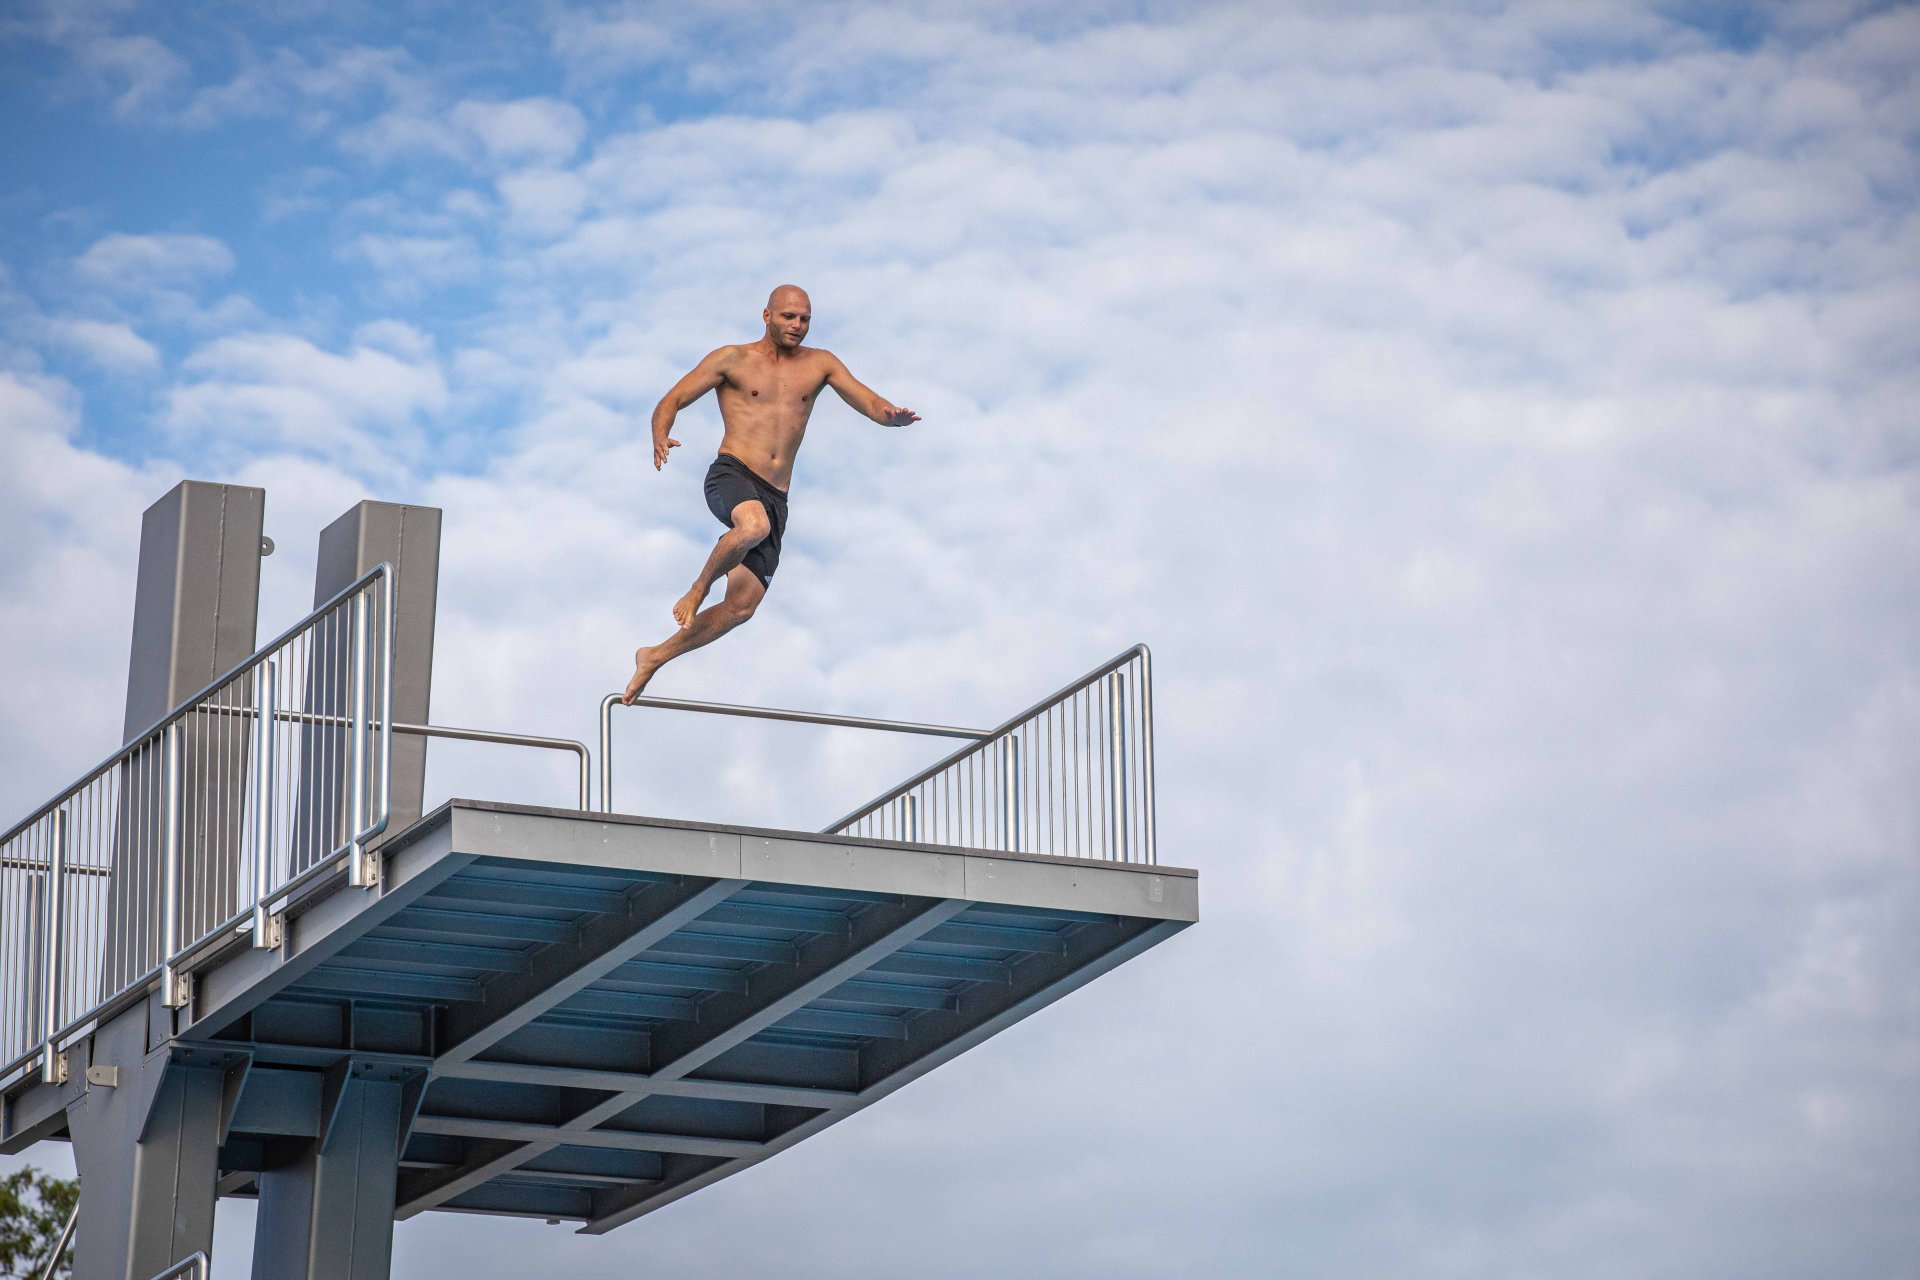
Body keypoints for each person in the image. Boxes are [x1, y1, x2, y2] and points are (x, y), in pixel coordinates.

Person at [622, 285, 920, 702]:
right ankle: (697, 588)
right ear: (766, 316)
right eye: (789, 317)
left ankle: (653, 656)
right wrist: (660, 434)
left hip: (776, 495)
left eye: (805, 319)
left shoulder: (820, 364)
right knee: (753, 525)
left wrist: (890, 416)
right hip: (733, 474)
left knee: (742, 607)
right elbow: (672, 398)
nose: (797, 326)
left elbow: (869, 399)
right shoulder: (732, 359)